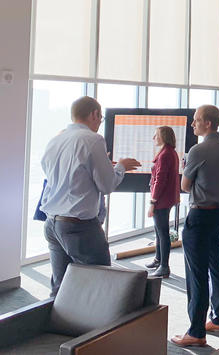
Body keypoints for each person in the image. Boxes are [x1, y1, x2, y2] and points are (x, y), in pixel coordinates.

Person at [40, 96, 140, 296]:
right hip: (79, 226)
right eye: (100, 118)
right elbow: (107, 185)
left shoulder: (55, 139)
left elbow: (57, 175)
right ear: (94, 114)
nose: (100, 123)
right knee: (101, 284)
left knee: (61, 288)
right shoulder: (93, 140)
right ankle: (99, 328)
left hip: (52, 223)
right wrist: (120, 167)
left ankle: (58, 324)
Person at [171, 105, 219, 348]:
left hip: (199, 217)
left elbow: (185, 186)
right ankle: (218, 318)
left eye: (196, 120)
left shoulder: (198, 150)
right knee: (216, 266)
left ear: (208, 123)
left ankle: (196, 331)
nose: (192, 124)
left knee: (196, 275)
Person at [146, 126, 180, 278]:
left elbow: (160, 180)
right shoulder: (169, 152)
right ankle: (158, 259)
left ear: (164, 137)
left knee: (162, 233)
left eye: (157, 135)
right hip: (166, 198)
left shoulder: (165, 154)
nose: (154, 137)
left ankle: (164, 267)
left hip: (162, 199)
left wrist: (153, 201)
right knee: (159, 231)